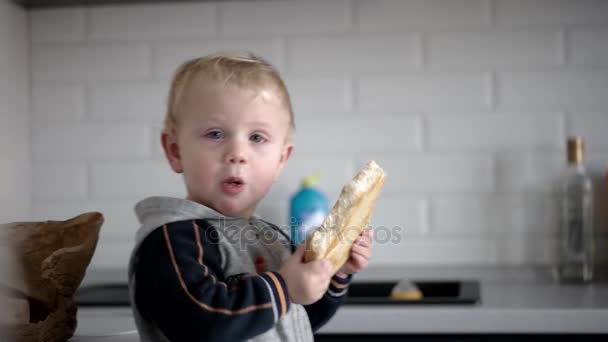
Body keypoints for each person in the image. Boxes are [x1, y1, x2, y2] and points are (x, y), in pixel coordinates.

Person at [127, 51, 373, 342]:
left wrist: (334, 274)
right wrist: (284, 287)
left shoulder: (272, 239)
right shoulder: (171, 240)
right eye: (216, 134)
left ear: (281, 160)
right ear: (175, 151)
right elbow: (202, 324)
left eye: (256, 137)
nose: (237, 154)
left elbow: (299, 319)